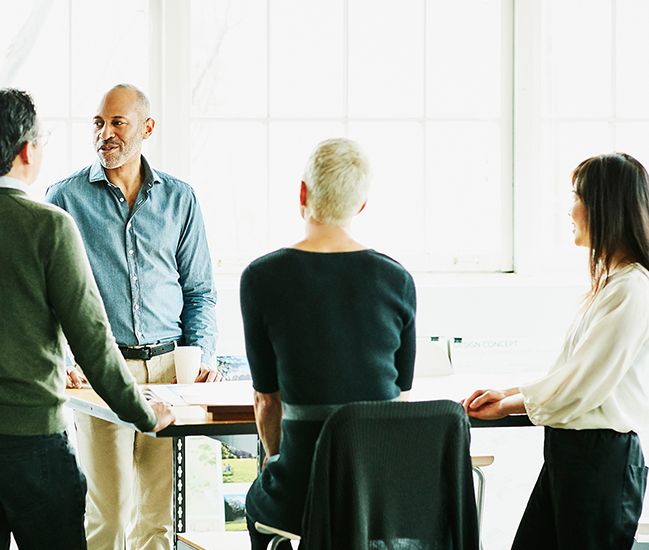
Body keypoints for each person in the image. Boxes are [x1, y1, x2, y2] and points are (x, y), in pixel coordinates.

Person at [0, 88, 175, 550]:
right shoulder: (49, 225)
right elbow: (93, 342)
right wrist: (143, 414)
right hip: (28, 445)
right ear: (26, 150)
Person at [46, 83, 220, 550]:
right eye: (98, 123)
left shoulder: (180, 199)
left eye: (117, 122)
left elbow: (200, 290)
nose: (105, 133)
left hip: (169, 372)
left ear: (147, 127)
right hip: (102, 372)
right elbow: (48, 296)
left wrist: (202, 351)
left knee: (159, 516)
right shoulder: (64, 198)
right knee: (109, 513)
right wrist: (67, 358)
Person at [463, 153, 649, 550]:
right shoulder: (615, 285)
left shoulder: (631, 289)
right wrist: (509, 393)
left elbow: (580, 387)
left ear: (604, 205)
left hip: (599, 462)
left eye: (576, 196)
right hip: (575, 459)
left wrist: (509, 405)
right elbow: (575, 374)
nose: (569, 209)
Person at [239, 138, 416, 549]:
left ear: (302, 192)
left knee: (257, 498)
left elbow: (267, 402)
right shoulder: (397, 279)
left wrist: (274, 458)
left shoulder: (261, 277)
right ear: (362, 205)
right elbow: (400, 401)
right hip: (377, 496)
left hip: (299, 491)